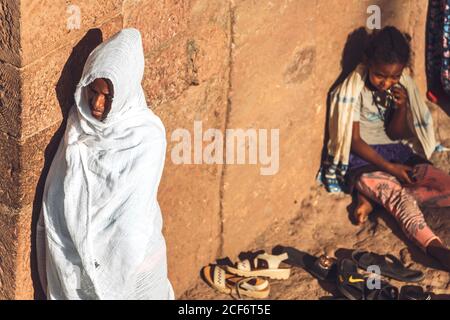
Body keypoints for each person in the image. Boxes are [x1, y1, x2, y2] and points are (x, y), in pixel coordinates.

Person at [36, 28, 174, 299]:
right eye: (93, 91)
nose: (97, 103)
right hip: (75, 263)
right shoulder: (78, 125)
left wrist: (104, 257)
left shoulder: (146, 136)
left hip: (135, 264)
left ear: (124, 94)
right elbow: (58, 195)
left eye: (108, 97)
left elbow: (130, 219)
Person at [346, 26, 450, 271]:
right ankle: (434, 248)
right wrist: (390, 168)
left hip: (397, 152)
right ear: (367, 62)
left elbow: (397, 134)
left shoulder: (399, 86)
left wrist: (401, 107)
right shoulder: (354, 89)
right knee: (399, 199)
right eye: (380, 75)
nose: (387, 82)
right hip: (363, 160)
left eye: (394, 76)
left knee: (443, 182)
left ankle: (371, 199)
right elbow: (354, 142)